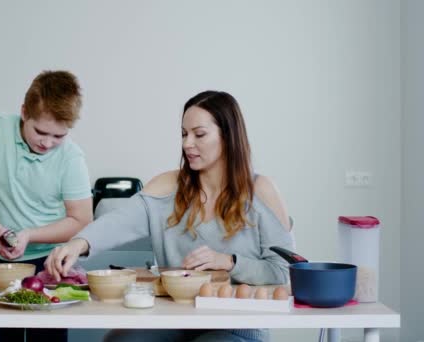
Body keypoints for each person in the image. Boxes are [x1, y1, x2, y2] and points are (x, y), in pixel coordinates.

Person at [45, 90, 295, 342]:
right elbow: (119, 222)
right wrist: (79, 243)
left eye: (199, 134)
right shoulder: (167, 186)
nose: (187, 143)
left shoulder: (261, 191)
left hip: (235, 328)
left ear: (228, 136)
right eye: (184, 134)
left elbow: (283, 271)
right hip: (173, 321)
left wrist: (229, 261)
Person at [0, 70, 93, 342]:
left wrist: (28, 235)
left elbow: (81, 220)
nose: (48, 143)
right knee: (3, 337)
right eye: (41, 132)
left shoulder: (71, 157)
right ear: (24, 112)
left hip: (49, 262)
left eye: (58, 136)